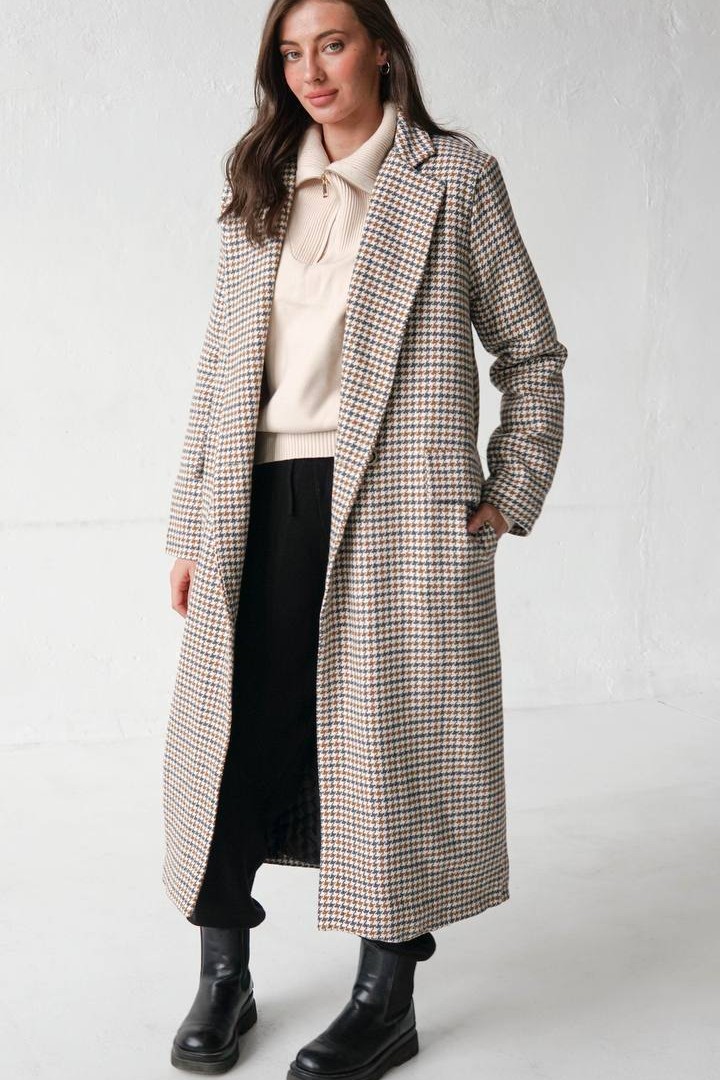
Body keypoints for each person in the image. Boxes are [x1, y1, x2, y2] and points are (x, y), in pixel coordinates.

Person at [164, 0, 567, 1077]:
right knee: (234, 737)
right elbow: (219, 365)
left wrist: (507, 492)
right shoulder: (260, 178)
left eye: (331, 44)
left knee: (390, 741)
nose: (311, 71)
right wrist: (190, 523)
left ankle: (385, 998)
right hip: (254, 497)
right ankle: (224, 976)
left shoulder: (454, 178)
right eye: (291, 53)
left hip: (398, 505)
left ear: (381, 50)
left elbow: (531, 352)